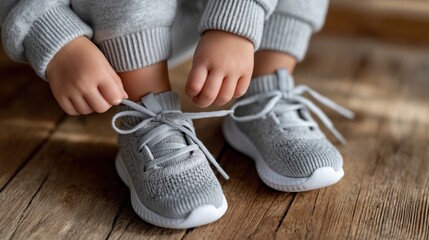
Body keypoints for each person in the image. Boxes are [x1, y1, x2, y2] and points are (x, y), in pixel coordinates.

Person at [0, 0, 352, 229]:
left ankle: (264, 86)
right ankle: (146, 109)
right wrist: (57, 40)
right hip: (99, 31)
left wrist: (238, 16)